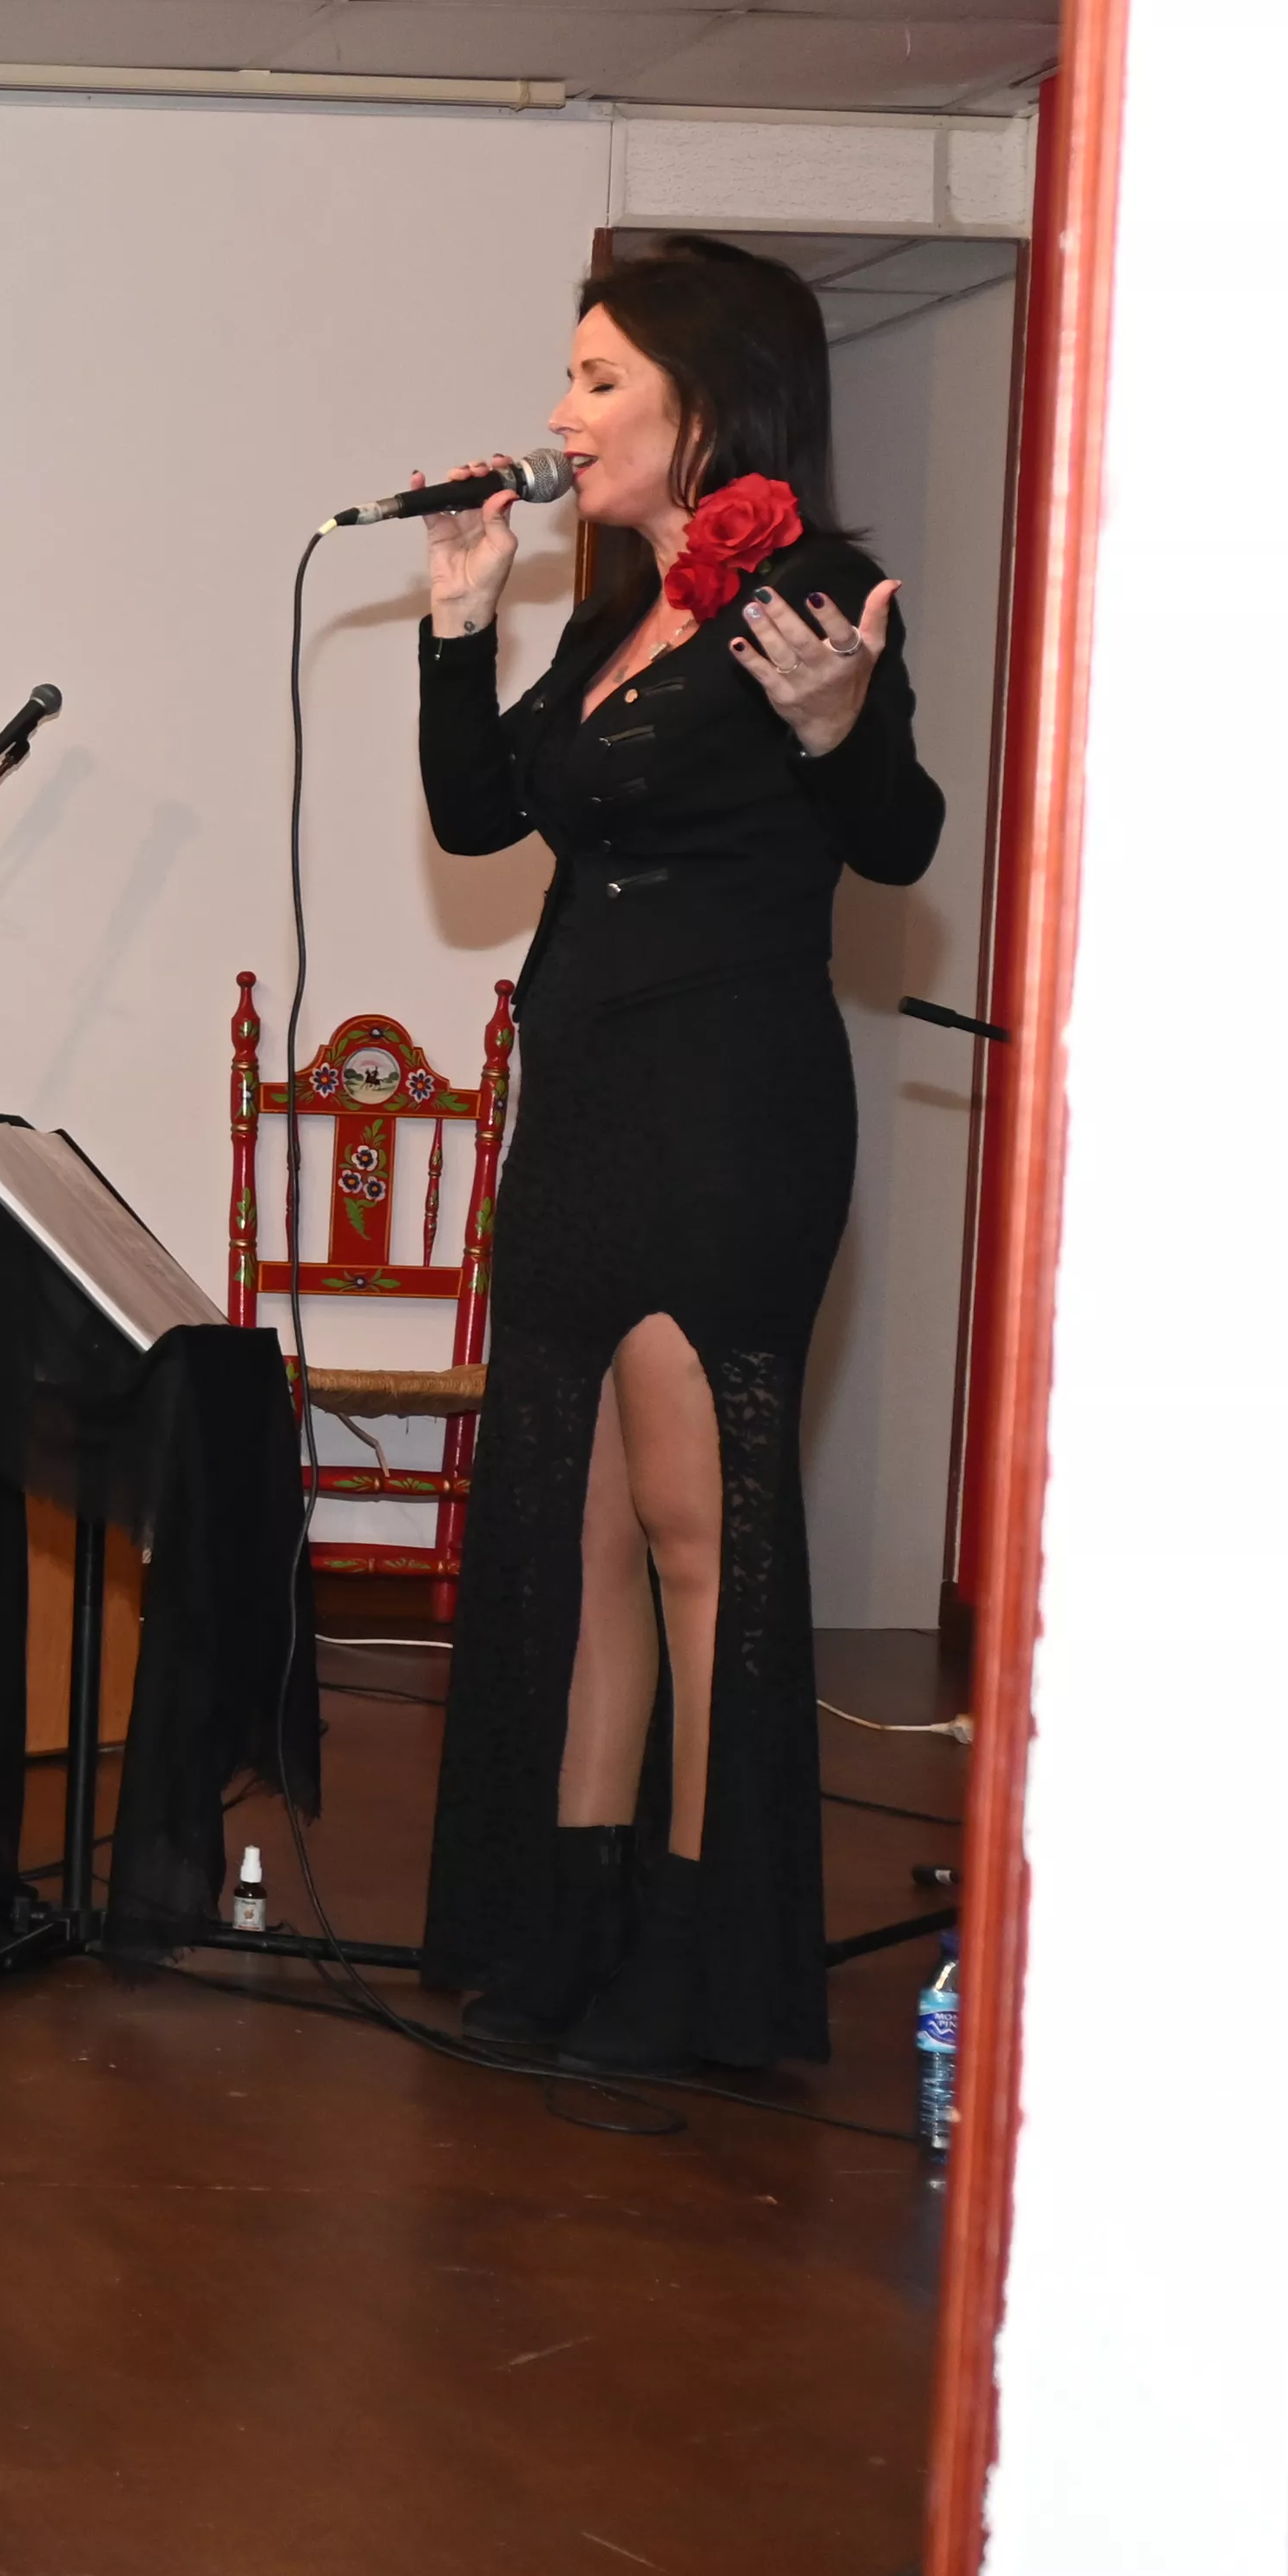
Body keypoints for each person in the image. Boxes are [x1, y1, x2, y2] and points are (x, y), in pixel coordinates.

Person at [405, 235, 943, 2074]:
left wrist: (841, 727)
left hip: (728, 1106)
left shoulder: (824, 593)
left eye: (599, 380)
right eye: (570, 379)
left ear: (711, 401)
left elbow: (899, 838)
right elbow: (488, 819)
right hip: (587, 1102)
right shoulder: (610, 602)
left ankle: (697, 1957)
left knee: (700, 1524)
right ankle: (572, 1919)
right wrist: (459, 627)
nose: (563, 415)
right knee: (587, 1522)